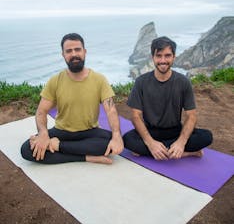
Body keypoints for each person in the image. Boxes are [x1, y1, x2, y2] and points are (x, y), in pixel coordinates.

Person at [21, 33, 124, 165]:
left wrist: (116, 135)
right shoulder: (55, 81)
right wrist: (43, 134)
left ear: (84, 52)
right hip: (62, 132)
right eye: (69, 51)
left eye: (77, 49)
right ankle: (86, 157)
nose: (74, 54)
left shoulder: (99, 79)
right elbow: (41, 111)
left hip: (90, 132)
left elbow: (111, 111)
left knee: (112, 141)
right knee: (27, 149)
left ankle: (58, 147)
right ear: (63, 55)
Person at [123, 36, 213, 160]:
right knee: (128, 140)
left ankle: (163, 151)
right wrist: (150, 142)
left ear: (174, 57)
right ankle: (185, 153)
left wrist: (181, 142)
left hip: (175, 131)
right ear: (153, 58)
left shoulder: (183, 82)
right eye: (159, 56)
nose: (163, 60)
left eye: (167, 55)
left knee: (206, 136)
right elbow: (135, 116)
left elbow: (191, 116)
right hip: (151, 131)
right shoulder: (141, 82)